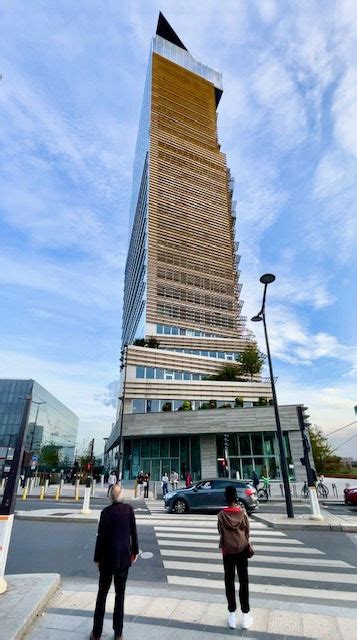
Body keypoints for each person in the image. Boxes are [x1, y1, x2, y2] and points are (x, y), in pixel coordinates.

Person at [90, 484, 138, 640]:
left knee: (102, 594)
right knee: (120, 595)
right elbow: (133, 532)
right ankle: (118, 633)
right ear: (122, 495)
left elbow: (100, 537)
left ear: (110, 496)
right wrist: (135, 552)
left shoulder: (105, 512)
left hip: (106, 558)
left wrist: (97, 558)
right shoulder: (129, 510)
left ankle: (96, 633)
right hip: (123, 557)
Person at [217, 485, 253, 631]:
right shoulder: (242, 513)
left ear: (226, 498)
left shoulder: (221, 515)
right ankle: (245, 616)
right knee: (244, 581)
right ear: (236, 497)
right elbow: (247, 531)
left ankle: (232, 614)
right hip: (242, 550)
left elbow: (220, 531)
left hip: (227, 552)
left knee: (229, 581)